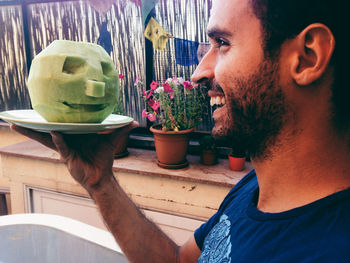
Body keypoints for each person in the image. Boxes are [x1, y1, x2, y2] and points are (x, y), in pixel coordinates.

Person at [12, 0, 350, 262]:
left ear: (307, 57)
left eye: (222, 42)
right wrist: (100, 182)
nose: (199, 72)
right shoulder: (256, 188)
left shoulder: (331, 248)